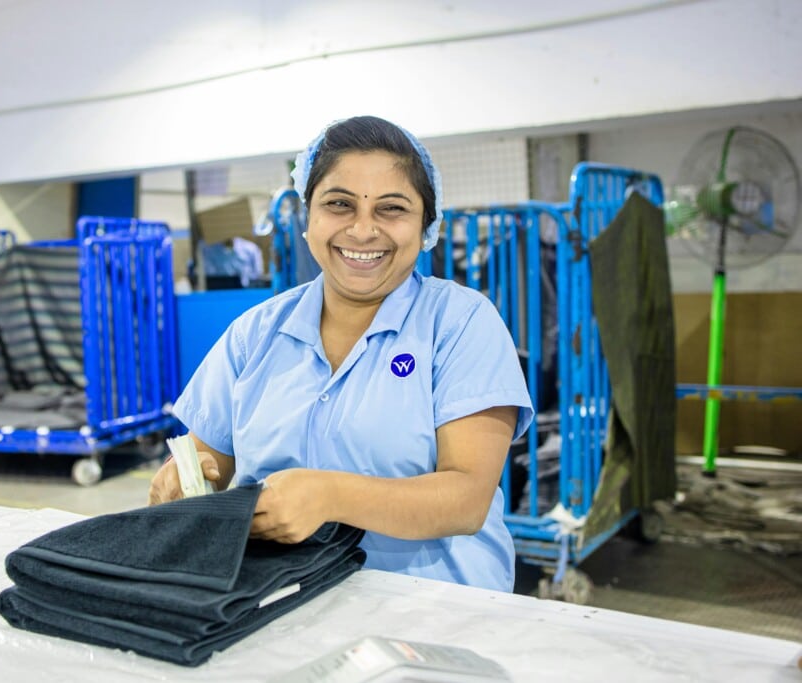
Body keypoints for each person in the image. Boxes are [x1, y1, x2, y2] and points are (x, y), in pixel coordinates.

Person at [148, 116, 533, 592]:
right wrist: (185, 482)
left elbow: (466, 498)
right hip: (275, 599)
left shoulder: (460, 324)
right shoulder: (256, 334)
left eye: (391, 209)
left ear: (426, 225)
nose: (363, 229)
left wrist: (330, 495)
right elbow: (208, 461)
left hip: (436, 609)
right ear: (308, 217)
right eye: (339, 204)